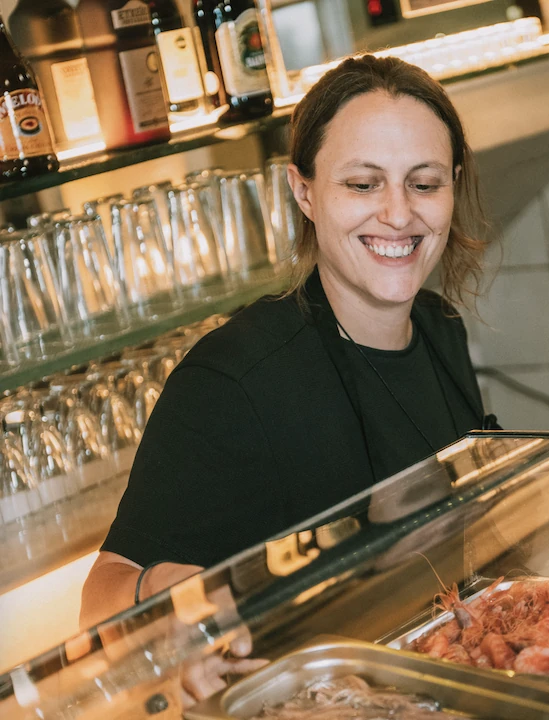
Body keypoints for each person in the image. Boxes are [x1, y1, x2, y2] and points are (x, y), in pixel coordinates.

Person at [80, 53, 491, 701]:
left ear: (452, 186)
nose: (398, 213)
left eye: (424, 183)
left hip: (433, 681)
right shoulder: (233, 378)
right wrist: (162, 601)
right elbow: (101, 598)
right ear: (304, 192)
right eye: (363, 184)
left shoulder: (440, 329)